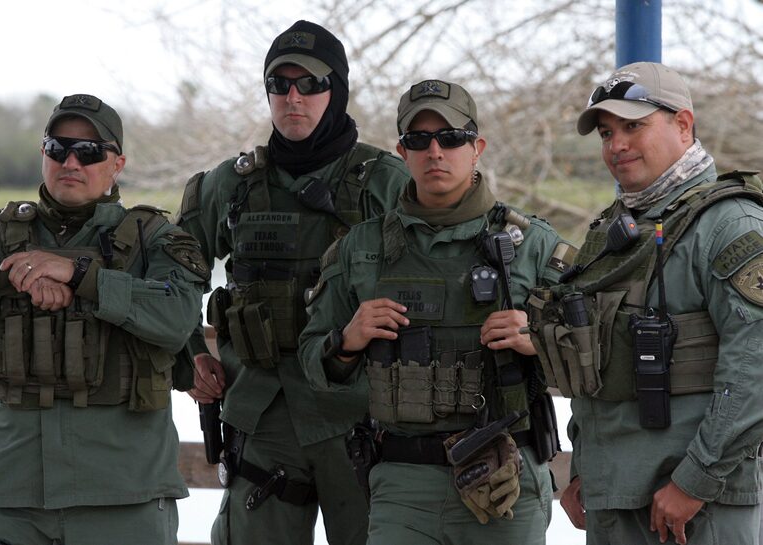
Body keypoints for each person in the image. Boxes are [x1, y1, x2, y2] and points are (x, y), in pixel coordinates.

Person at [298, 79, 577, 545]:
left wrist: (540, 337)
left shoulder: (533, 246)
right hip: (402, 486)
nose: (435, 152)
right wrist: (347, 341)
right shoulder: (361, 249)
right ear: (401, 152)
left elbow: (592, 363)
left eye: (450, 138)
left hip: (504, 480)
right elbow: (312, 364)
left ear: (477, 147)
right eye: (418, 140)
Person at [0, 93, 208, 545]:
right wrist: (3, 277)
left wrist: (82, 276)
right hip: (13, 499)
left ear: (117, 164)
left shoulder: (154, 239)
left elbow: (177, 318)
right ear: (44, 154)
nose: (71, 162)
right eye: (58, 148)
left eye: (89, 151)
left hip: (123, 499)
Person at [177, 20, 410, 545]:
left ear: (338, 90)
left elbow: (441, 274)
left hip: (360, 419)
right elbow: (169, 277)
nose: (292, 98)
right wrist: (188, 353)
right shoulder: (231, 186)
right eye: (278, 85)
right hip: (262, 419)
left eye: (310, 83)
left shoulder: (386, 182)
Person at [527, 62, 763, 545]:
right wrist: (584, 471)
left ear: (682, 124)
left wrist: (694, 481)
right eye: (607, 132)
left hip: (695, 508)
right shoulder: (613, 233)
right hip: (614, 496)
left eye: (634, 125)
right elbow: (599, 366)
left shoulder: (729, 224)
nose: (617, 145)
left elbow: (755, 366)